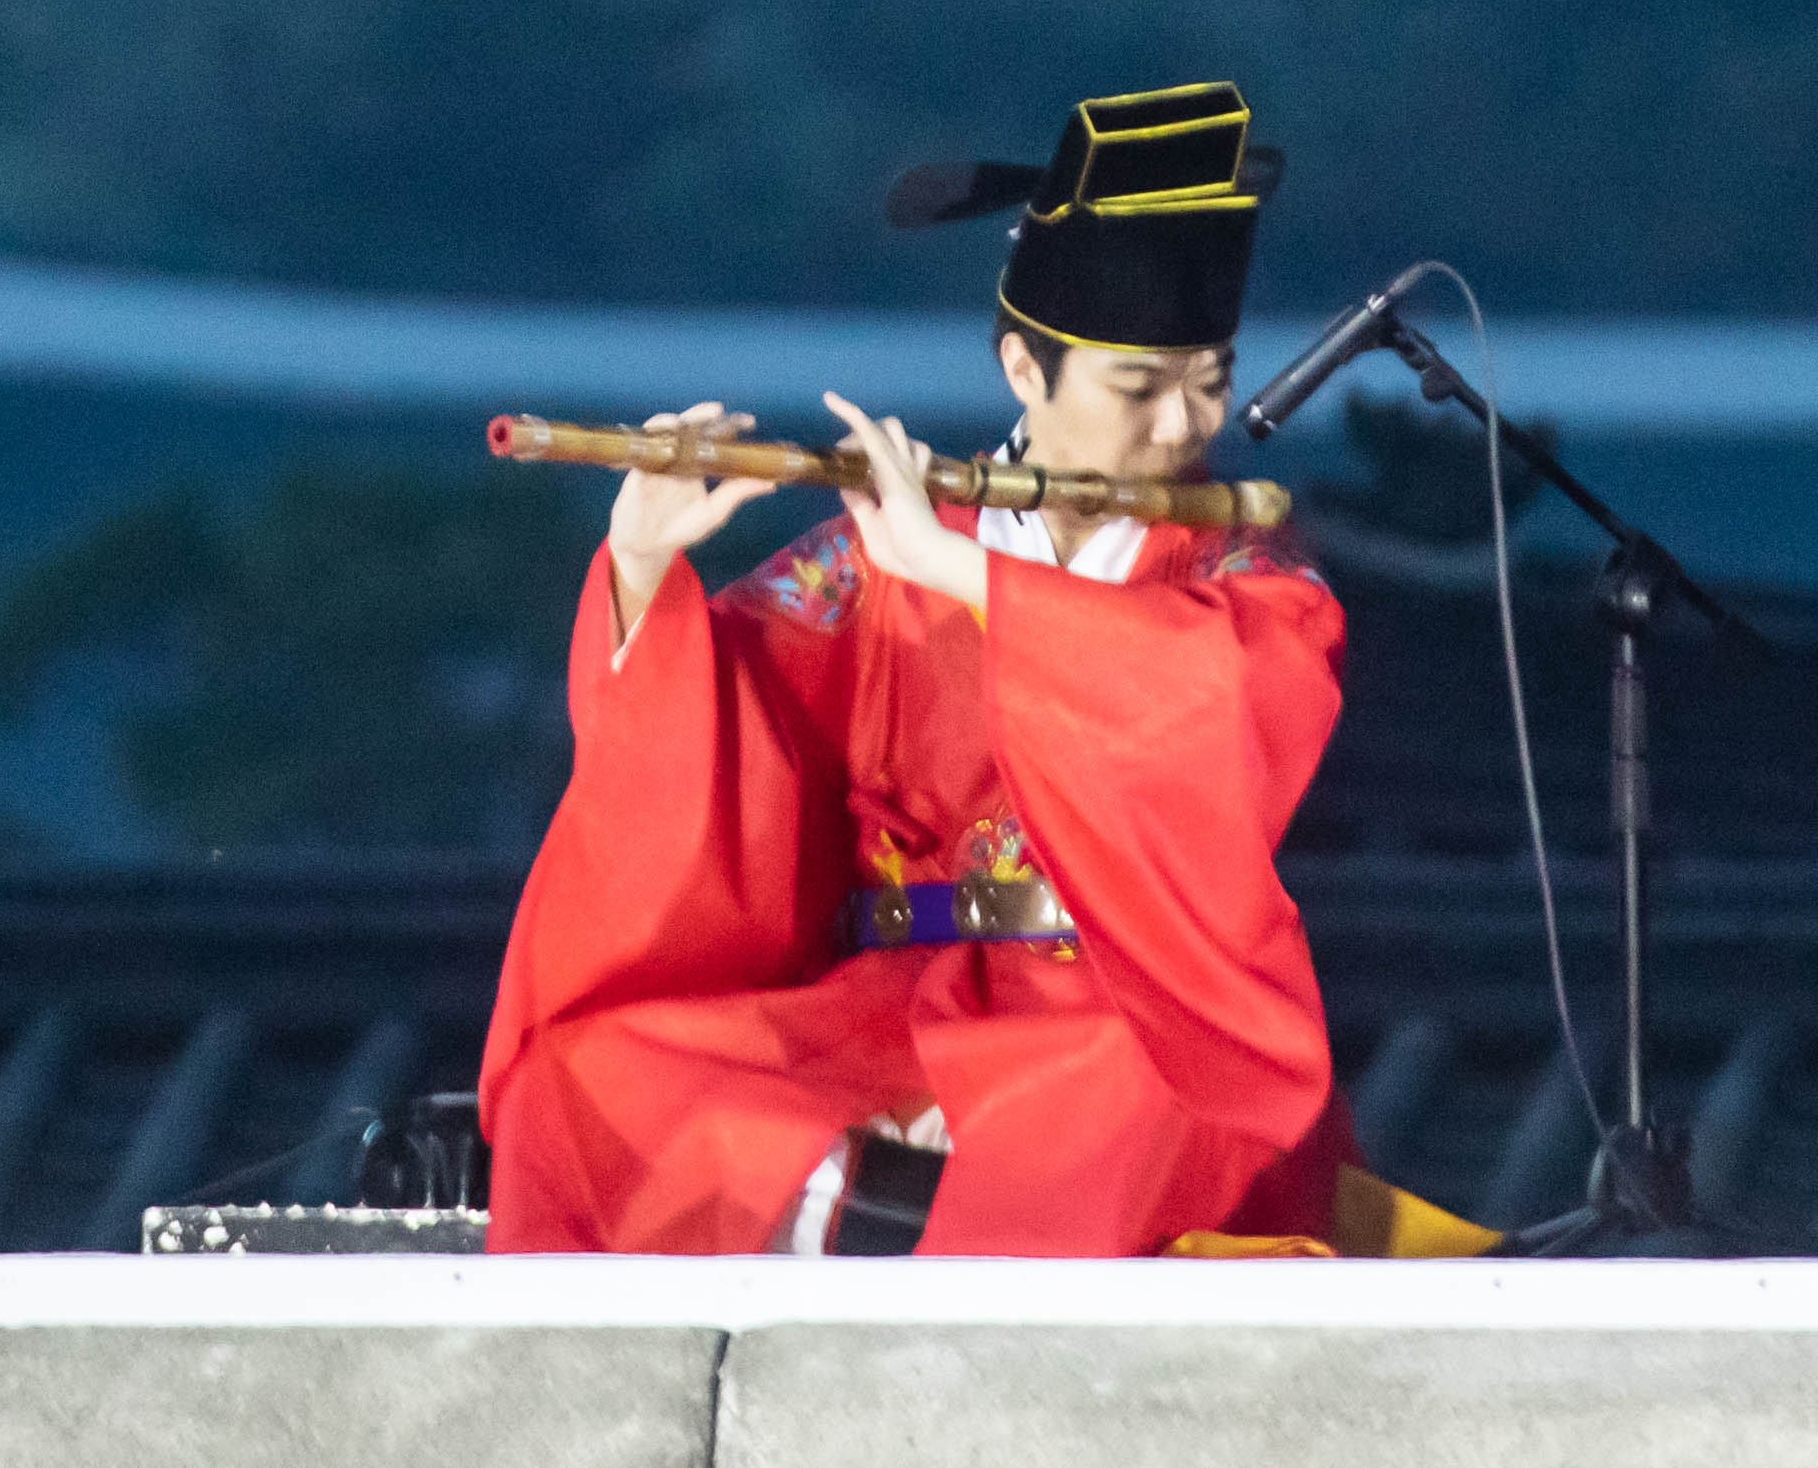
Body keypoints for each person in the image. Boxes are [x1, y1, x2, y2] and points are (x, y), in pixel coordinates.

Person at [479, 79, 1456, 1258]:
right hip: (887, 1001)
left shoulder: (1240, 568)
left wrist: (967, 575)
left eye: (1209, 376)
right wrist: (641, 563)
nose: (1179, 423)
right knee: (593, 1071)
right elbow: (723, 738)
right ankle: (905, 1213)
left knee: (1165, 1100)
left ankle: (887, 1222)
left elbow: (1214, 716)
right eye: (1137, 387)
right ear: (1023, 371)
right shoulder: (878, 551)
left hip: (1122, 1013)